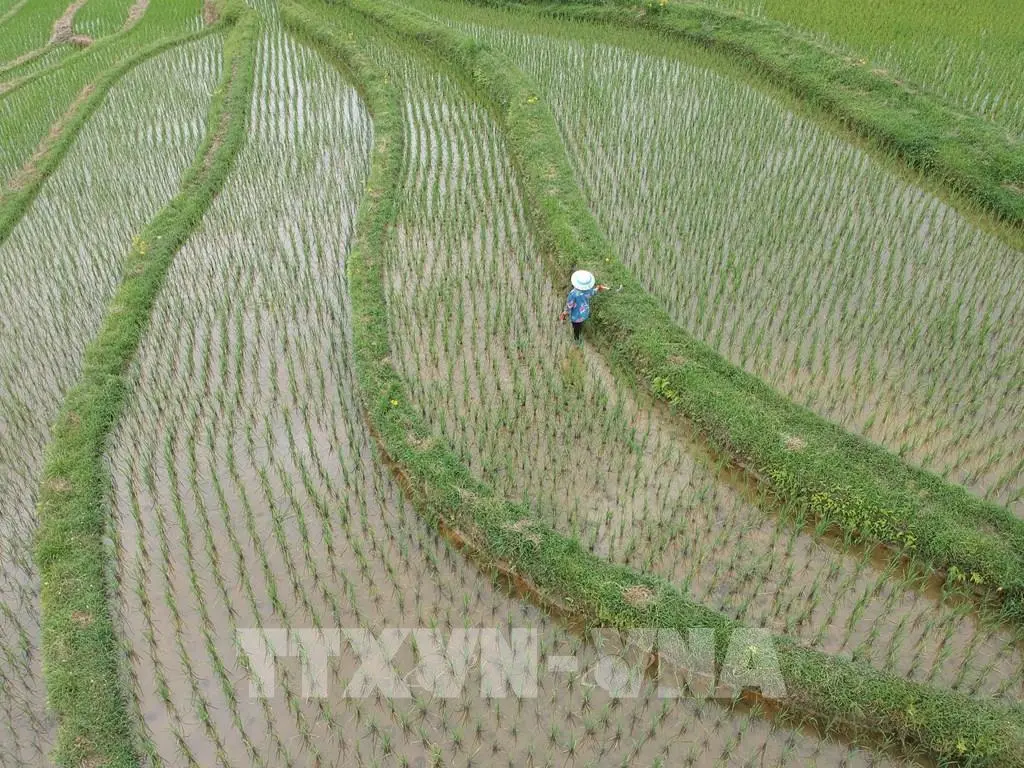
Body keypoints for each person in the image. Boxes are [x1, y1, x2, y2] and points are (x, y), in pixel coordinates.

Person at [560, 270, 608, 342]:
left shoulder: (573, 293)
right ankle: (580, 331)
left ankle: (577, 339)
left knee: (576, 328)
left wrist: (564, 313)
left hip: (576, 316)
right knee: (580, 323)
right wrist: (598, 288)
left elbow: (569, 305)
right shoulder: (588, 290)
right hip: (585, 312)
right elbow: (593, 292)